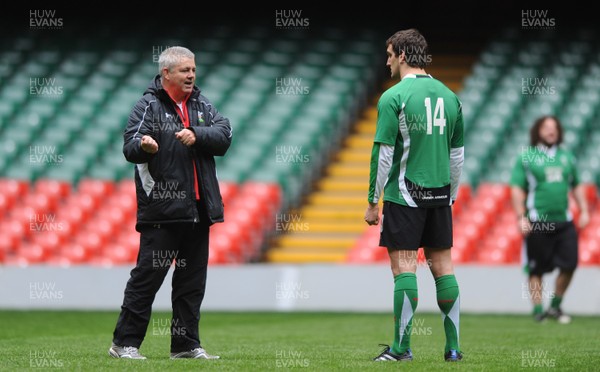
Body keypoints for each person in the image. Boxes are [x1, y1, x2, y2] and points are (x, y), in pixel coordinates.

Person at [109, 46, 232, 360]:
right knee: (147, 280)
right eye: (184, 70)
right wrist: (145, 145)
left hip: (199, 209)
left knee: (191, 284)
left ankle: (186, 345)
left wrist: (196, 133)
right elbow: (130, 145)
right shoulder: (148, 106)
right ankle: (124, 344)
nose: (191, 75)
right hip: (163, 211)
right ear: (166, 73)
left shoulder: (202, 104)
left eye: (193, 69)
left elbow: (224, 134)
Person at [364, 29, 464, 362]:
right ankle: (453, 349)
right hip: (439, 195)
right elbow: (457, 156)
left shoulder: (394, 96)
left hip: (404, 195)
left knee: (404, 268)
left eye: (390, 54)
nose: (387, 60)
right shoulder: (451, 97)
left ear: (404, 55)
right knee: (444, 269)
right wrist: (450, 194)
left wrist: (372, 201)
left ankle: (401, 349)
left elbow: (384, 154)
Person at [510, 115, 589, 324]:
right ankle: (538, 310)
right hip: (537, 221)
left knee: (570, 264)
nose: (551, 131)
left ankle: (555, 306)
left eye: (554, 127)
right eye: (546, 127)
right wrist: (520, 217)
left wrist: (585, 209)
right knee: (536, 269)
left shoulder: (567, 157)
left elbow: (577, 184)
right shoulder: (527, 157)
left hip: (564, 221)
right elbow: (517, 189)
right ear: (538, 131)